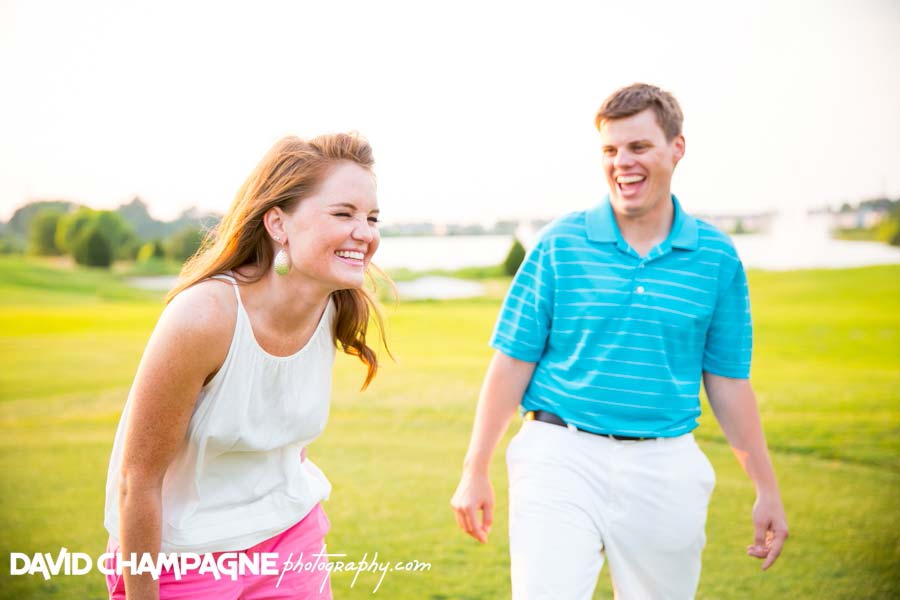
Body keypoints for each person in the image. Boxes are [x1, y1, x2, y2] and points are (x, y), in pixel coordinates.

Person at [450, 83, 788, 599]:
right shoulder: (559, 244)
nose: (621, 162)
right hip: (558, 455)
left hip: (665, 467)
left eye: (638, 147)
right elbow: (511, 364)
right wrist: (475, 471)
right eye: (610, 150)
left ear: (677, 148)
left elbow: (728, 383)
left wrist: (766, 487)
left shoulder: (716, 258)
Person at [103, 133, 387, 600]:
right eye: (343, 213)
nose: (366, 233)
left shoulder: (333, 304)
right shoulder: (204, 317)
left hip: (290, 540)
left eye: (372, 218)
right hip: (182, 557)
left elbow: (285, 438)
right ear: (278, 223)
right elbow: (138, 481)